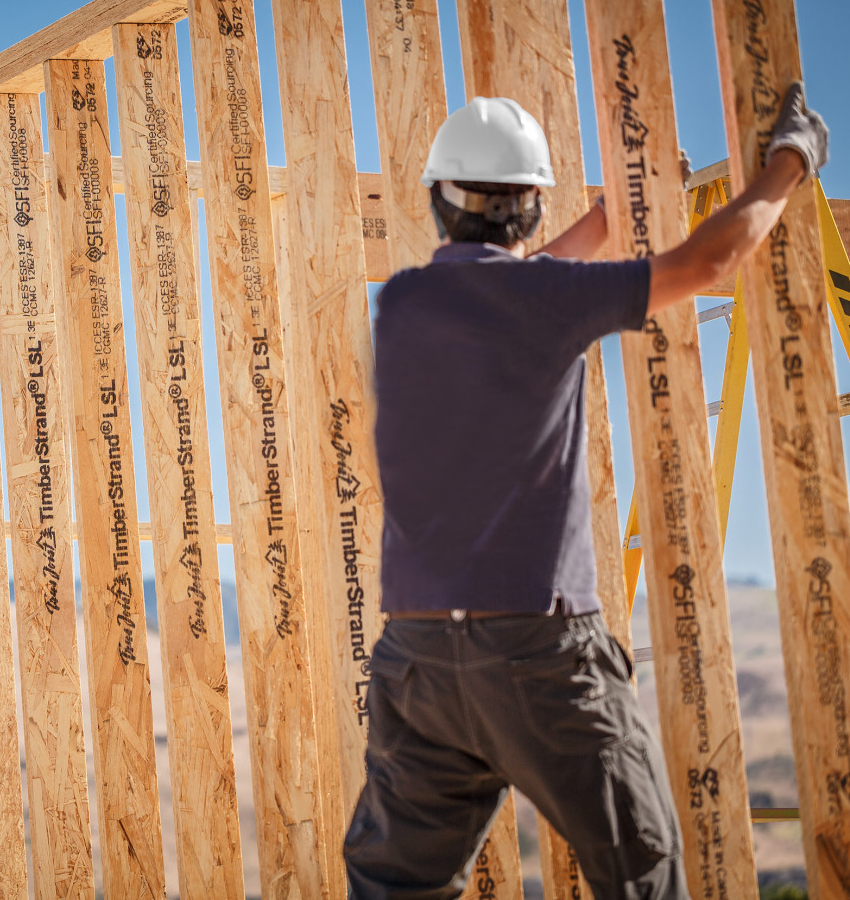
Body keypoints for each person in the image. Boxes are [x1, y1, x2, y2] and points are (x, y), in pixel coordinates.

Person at [344, 84, 829, 899]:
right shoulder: (547, 302)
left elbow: (509, 286)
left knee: (396, 888)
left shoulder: (404, 305)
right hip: (538, 656)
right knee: (640, 870)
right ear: (533, 209)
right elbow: (707, 263)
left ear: (436, 201)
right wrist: (789, 163)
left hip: (417, 664)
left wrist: (607, 222)